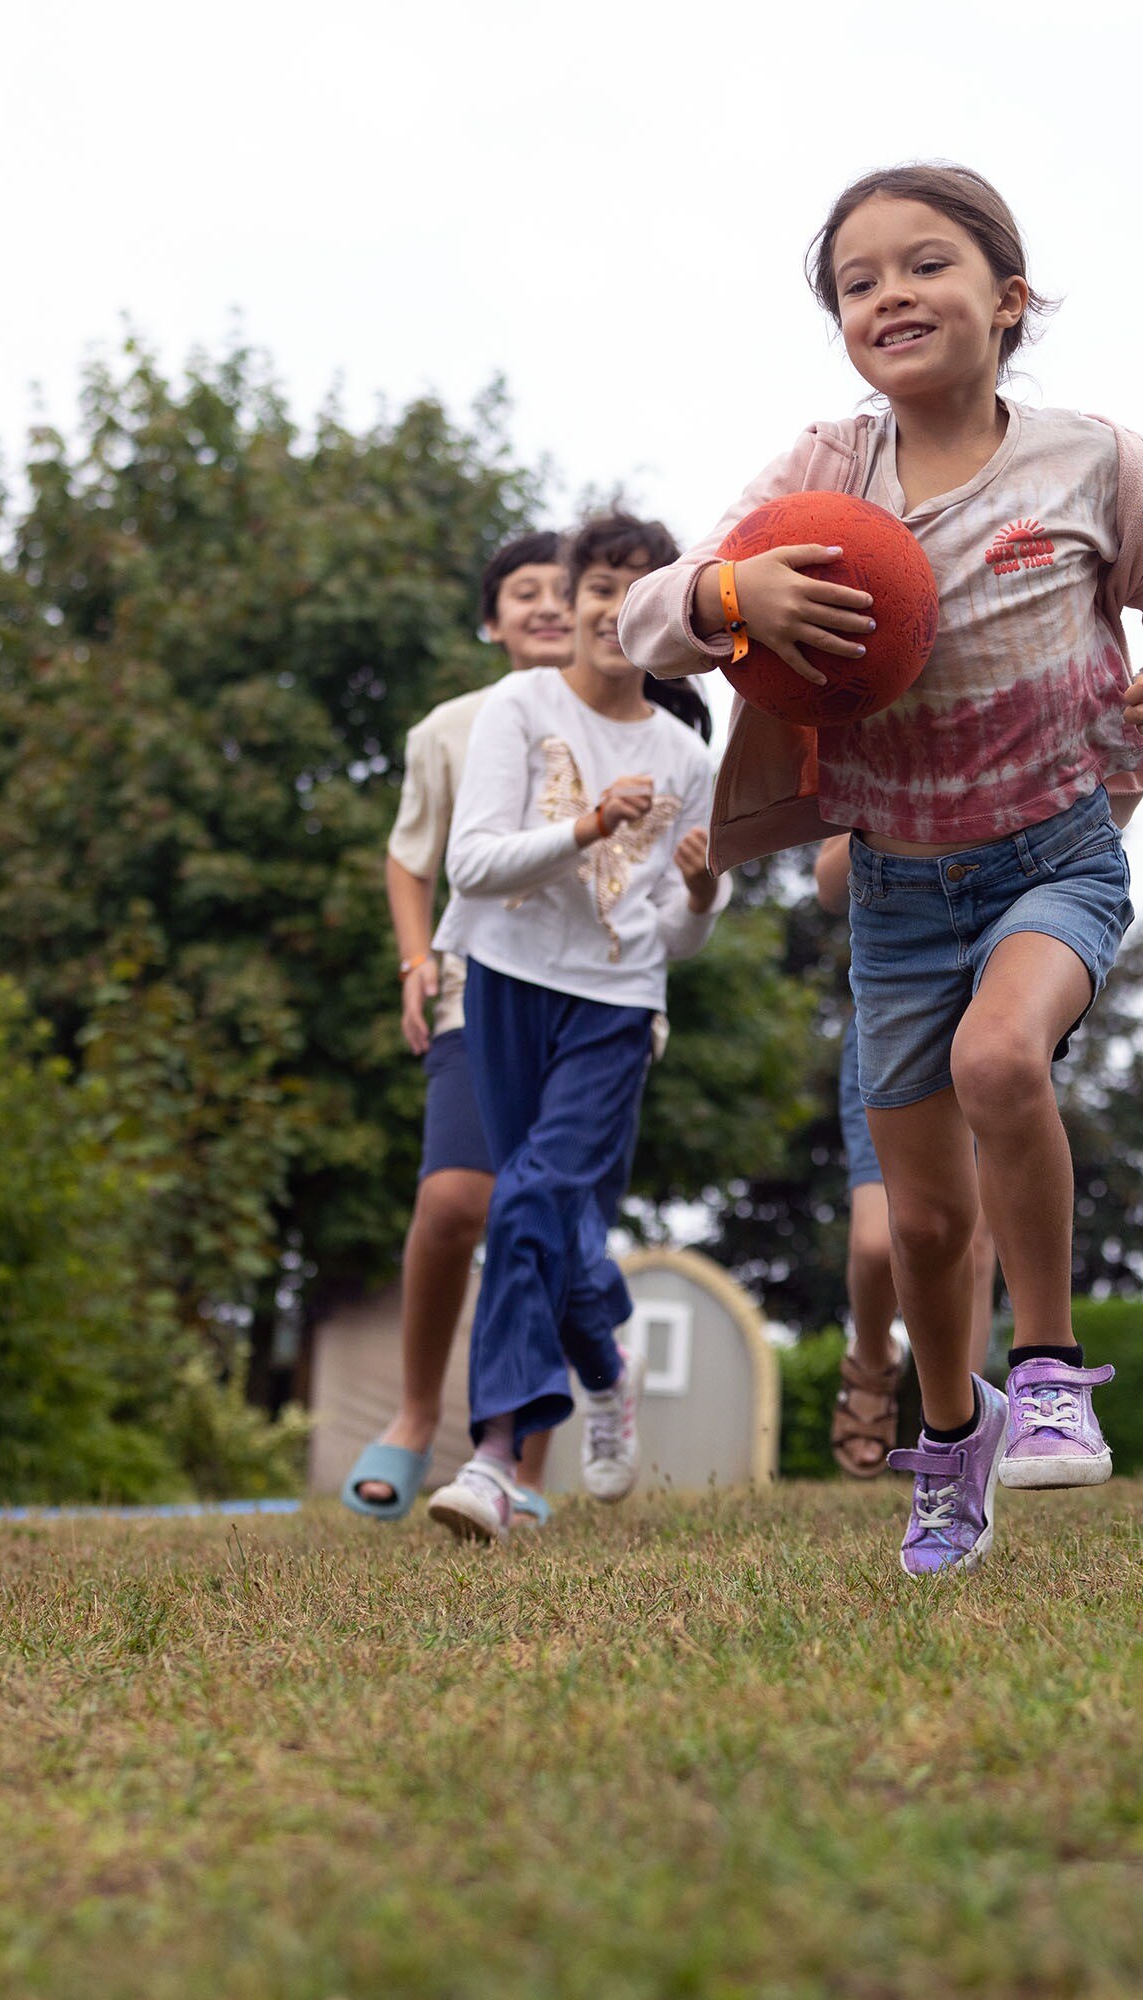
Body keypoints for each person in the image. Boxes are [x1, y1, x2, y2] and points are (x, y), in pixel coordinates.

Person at [621, 162, 1143, 1575]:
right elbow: (644, 621)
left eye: (926, 266)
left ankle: (1051, 1373)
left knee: (1001, 1065)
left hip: (1058, 854)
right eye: (858, 282)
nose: (890, 295)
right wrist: (735, 592)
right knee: (917, 1218)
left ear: (1007, 300)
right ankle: (952, 1438)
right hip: (899, 888)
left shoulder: (1092, 460)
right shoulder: (821, 476)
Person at [424, 511, 726, 1541]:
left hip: (615, 1001)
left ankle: (496, 1459)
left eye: (636, 589)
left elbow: (679, 940)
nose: (608, 607)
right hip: (504, 977)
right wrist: (590, 824)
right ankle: (604, 1357)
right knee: (545, 1215)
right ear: (576, 598)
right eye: (597, 585)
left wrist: (701, 895)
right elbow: (471, 866)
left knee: (530, 1201)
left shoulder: (688, 756)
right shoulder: (520, 703)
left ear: (663, 617)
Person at [342, 529, 571, 1521]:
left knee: (548, 1214)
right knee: (452, 1200)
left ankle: (522, 1463)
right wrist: (414, 956)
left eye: (570, 589)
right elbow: (409, 856)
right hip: (477, 987)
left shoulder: (637, 723)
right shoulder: (449, 729)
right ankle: (412, 1411)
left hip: (593, 1006)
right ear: (493, 620)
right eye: (525, 592)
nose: (550, 606)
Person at [813, 832, 1003, 1479]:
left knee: (973, 1244)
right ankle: (870, 1362)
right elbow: (828, 885)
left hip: (989, 1019)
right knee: (877, 1244)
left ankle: (958, 1441)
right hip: (894, 1026)